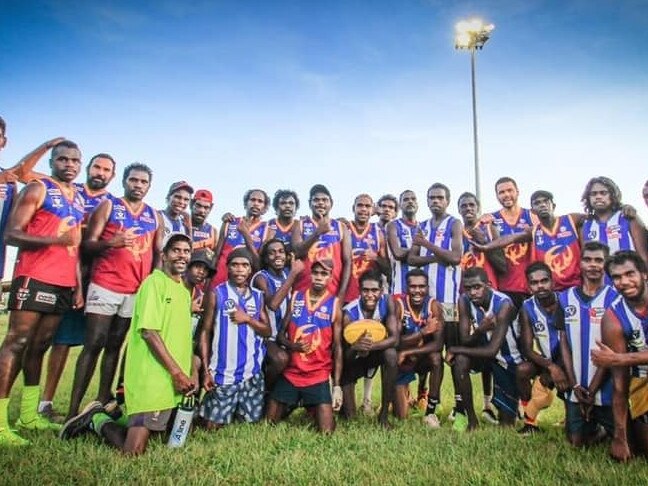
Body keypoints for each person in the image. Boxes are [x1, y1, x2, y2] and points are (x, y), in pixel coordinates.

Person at [59, 233, 197, 455]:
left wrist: (190, 373)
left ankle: (117, 415)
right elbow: (149, 333)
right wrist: (177, 374)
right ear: (164, 255)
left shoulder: (183, 291)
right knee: (133, 452)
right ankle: (97, 419)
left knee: (165, 436)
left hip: (173, 381)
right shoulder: (154, 283)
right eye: (176, 250)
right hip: (152, 378)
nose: (182, 255)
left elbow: (183, 339)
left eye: (186, 251)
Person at [0, 140, 85, 445]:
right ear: (52, 163)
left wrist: (77, 285)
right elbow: (11, 233)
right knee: (17, 342)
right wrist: (54, 241)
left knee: (40, 346)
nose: (70, 165)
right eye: (63, 159)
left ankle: (28, 415)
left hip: (63, 282)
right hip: (33, 276)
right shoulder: (38, 188)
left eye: (75, 161)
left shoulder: (77, 199)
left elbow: (73, 245)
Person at [66, 163, 162, 421]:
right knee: (94, 343)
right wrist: (112, 242)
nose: (138, 185)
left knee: (115, 346)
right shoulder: (109, 206)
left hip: (134, 289)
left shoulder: (154, 215)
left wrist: (151, 286)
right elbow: (86, 246)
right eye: (134, 180)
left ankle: (102, 399)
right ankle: (72, 410)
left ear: (149, 186)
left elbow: (157, 255)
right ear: (124, 181)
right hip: (105, 284)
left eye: (143, 182)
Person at [40, 154, 116, 419]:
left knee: (95, 343)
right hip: (62, 272)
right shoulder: (70, 193)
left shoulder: (111, 204)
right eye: (97, 167)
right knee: (57, 341)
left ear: (112, 176)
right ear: (88, 168)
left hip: (97, 278)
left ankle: (92, 403)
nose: (101, 172)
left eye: (106, 170)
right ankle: (44, 402)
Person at [266, 258, 343, 433]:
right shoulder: (296, 298)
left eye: (324, 274)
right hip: (292, 372)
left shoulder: (335, 305)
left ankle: (312, 404)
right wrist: (293, 346)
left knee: (327, 431)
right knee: (268, 423)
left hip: (318, 373)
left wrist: (337, 385)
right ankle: (297, 403)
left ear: (330, 278)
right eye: (315, 273)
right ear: (310, 275)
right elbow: (279, 336)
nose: (319, 277)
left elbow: (337, 347)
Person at [198, 248, 271, 428]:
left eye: (244, 265)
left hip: (251, 373)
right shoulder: (217, 293)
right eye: (235, 265)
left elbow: (267, 331)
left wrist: (247, 318)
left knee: (249, 424)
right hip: (224, 373)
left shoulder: (258, 296)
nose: (239, 269)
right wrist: (206, 370)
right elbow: (205, 331)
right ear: (228, 268)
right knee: (211, 427)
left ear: (250, 269)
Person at [409, 183, 463, 418]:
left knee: (452, 355)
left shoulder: (455, 224)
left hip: (450, 303)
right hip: (427, 303)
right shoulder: (421, 226)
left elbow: (456, 257)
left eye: (440, 197)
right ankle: (429, 405)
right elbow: (412, 259)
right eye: (431, 198)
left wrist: (428, 248)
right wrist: (436, 256)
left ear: (447, 200)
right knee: (430, 354)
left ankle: (460, 408)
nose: (435, 201)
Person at [590, 250, 648, 462]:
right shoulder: (613, 318)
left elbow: (616, 362)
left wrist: (618, 359)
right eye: (617, 277)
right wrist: (620, 437)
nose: (624, 281)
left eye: (629, 274)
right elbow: (619, 383)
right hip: (643, 382)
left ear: (644, 274)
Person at [448, 267, 522, 431]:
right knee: (460, 362)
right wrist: (481, 329)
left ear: (488, 285)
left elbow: (492, 350)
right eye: (468, 288)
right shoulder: (464, 301)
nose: (473, 293)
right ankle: (471, 420)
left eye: (477, 287)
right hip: (484, 354)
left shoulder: (504, 304)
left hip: (506, 359)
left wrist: (456, 349)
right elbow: (466, 339)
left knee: (506, 425)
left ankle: (515, 407)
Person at [559, 241, 617, 447]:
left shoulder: (615, 298)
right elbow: (564, 343)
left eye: (599, 260)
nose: (593, 265)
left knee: (631, 446)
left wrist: (592, 390)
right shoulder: (565, 298)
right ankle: (593, 426)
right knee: (577, 442)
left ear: (607, 264)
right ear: (580, 263)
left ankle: (606, 425)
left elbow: (613, 349)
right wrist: (575, 384)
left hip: (607, 387)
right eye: (588, 260)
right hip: (577, 388)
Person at [457, 191, 506, 424]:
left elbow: (502, 265)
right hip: (465, 298)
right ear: (459, 210)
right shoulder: (455, 232)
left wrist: (486, 244)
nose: (468, 208)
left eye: (471, 204)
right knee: (466, 348)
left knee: (495, 352)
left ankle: (489, 405)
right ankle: (463, 411)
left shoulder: (489, 229)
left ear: (478, 207)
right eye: (463, 205)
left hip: (489, 300)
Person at [476, 190, 583, 292]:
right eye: (537, 203)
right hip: (551, 290)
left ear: (553, 205)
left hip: (576, 285)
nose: (542, 205)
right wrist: (485, 247)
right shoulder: (534, 231)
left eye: (546, 201)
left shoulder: (572, 219)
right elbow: (511, 238)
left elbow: (594, 217)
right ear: (533, 210)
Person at [516, 262, 570, 435]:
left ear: (552, 281)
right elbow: (527, 348)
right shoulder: (527, 307)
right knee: (522, 370)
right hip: (546, 361)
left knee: (575, 431)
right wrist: (551, 367)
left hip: (571, 359)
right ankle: (530, 422)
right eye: (534, 282)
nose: (540, 286)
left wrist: (560, 367)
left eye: (544, 281)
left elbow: (575, 342)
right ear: (529, 286)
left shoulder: (567, 301)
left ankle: (572, 417)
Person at [341, 269, 399, 428]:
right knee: (349, 418)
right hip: (354, 360)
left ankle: (384, 415)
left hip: (375, 352)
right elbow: (344, 355)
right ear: (359, 291)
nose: (370, 294)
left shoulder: (387, 302)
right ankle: (345, 404)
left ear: (381, 291)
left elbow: (394, 339)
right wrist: (356, 347)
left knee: (391, 355)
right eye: (366, 290)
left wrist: (370, 346)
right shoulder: (349, 313)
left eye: (374, 290)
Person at [394, 269, 444, 426]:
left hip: (419, 356)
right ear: (406, 288)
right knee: (401, 416)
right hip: (403, 360)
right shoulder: (399, 305)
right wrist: (423, 331)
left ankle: (430, 412)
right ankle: (394, 396)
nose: (417, 291)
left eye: (421, 286)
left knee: (437, 359)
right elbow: (395, 341)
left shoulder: (433, 306)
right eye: (413, 286)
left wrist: (409, 350)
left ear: (427, 288)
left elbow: (438, 344)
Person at [252, 239, 304, 390]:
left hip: (282, 335)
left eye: (281, 251)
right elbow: (273, 305)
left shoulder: (286, 275)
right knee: (280, 359)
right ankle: (263, 392)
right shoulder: (261, 277)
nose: (277, 255)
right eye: (272, 253)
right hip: (264, 336)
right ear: (266, 258)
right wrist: (293, 274)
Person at [292, 184, 351, 299]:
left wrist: (342, 294)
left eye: (324, 200)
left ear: (331, 203)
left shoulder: (341, 227)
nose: (320, 203)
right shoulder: (300, 225)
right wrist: (317, 232)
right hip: (303, 289)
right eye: (316, 200)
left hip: (332, 291)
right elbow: (298, 253)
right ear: (310, 203)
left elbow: (348, 261)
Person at [489, 177, 537, 309]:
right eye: (501, 192)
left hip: (532, 286)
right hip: (505, 288)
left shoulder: (532, 216)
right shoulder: (491, 219)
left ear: (517, 191)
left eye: (510, 190)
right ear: (497, 196)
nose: (506, 195)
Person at [581, 177, 648, 265]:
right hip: (602, 278)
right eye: (593, 194)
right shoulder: (585, 226)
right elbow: (585, 262)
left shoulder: (628, 216)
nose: (598, 197)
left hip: (629, 277)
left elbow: (644, 256)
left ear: (612, 195)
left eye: (603, 193)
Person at [213, 189, 270, 286]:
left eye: (260, 201)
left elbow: (259, 265)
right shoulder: (230, 222)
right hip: (220, 278)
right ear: (245, 203)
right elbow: (216, 255)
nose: (256, 203)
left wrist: (245, 234)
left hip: (245, 283)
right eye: (252, 200)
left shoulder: (267, 230)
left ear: (264, 208)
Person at [345, 193, 389, 303]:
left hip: (370, 297)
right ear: (353, 208)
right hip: (346, 293)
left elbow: (388, 270)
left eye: (367, 206)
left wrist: (376, 258)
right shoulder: (344, 228)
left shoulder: (378, 233)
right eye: (360, 205)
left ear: (372, 209)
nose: (364, 209)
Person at [385, 189, 418, 296]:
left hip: (422, 288)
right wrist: (423, 249)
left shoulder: (424, 227)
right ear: (400, 206)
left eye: (413, 199)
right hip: (400, 287)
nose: (410, 202)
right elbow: (398, 253)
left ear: (417, 204)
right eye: (406, 199)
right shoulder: (393, 225)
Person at [267, 189, 299, 253]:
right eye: (283, 203)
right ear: (276, 208)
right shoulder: (268, 225)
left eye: (291, 203)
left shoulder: (300, 225)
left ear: (296, 208)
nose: (287, 206)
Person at [190, 189, 217, 253]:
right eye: (198, 205)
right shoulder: (180, 225)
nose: (202, 211)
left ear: (211, 209)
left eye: (206, 207)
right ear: (191, 204)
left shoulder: (214, 232)